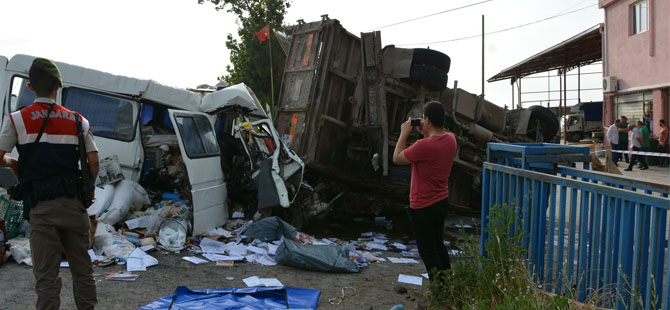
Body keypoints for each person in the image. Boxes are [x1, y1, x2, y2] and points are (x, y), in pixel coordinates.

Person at [0, 58, 99, 309]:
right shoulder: (78, 120)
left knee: (46, 277)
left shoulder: (17, 120)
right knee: (82, 272)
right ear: (58, 86)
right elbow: (93, 159)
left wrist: (13, 163)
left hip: (41, 210)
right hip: (74, 206)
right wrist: (90, 187)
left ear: (30, 87)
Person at [392, 101, 457, 280]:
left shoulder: (424, 146)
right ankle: (448, 286)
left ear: (427, 119)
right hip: (441, 201)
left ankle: (439, 293)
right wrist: (425, 132)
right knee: (438, 245)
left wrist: (404, 132)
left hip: (423, 206)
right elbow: (432, 145)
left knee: (427, 251)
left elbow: (397, 158)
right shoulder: (451, 139)